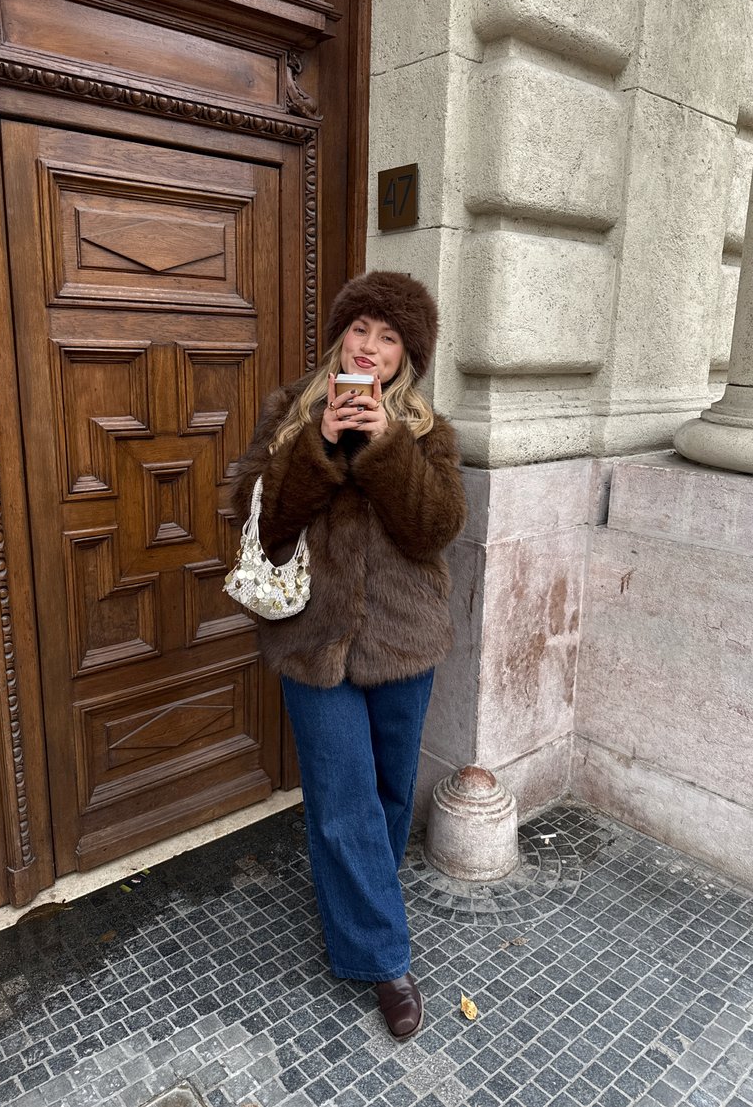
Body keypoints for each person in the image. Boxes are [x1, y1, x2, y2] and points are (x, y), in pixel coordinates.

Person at [231, 271, 467, 1040]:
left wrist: (388, 447)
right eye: (361, 329)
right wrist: (321, 444)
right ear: (341, 336)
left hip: (405, 639)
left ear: (406, 357)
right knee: (343, 800)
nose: (370, 347)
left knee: (392, 791)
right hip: (313, 641)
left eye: (389, 337)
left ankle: (360, 894)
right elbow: (263, 527)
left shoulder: (430, 434)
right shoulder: (288, 415)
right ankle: (385, 959)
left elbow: (433, 529)